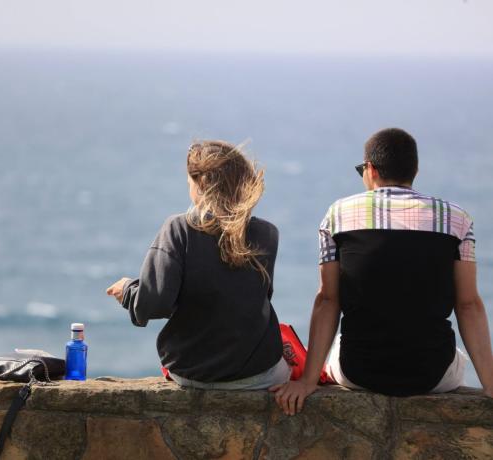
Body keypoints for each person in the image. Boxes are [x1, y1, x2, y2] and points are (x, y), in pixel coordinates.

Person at [271, 128, 493, 415]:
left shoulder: (338, 215)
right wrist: (489, 386)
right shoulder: (456, 219)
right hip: (432, 376)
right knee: (455, 357)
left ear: (371, 170)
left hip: (358, 372)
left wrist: (308, 381)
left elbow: (327, 300)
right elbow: (468, 304)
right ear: (415, 170)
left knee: (340, 349)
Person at [106, 140, 290, 389]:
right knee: (292, 364)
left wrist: (129, 290)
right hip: (257, 374)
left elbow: (155, 303)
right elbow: (255, 297)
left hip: (193, 373)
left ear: (200, 184)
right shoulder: (267, 233)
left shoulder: (178, 229)